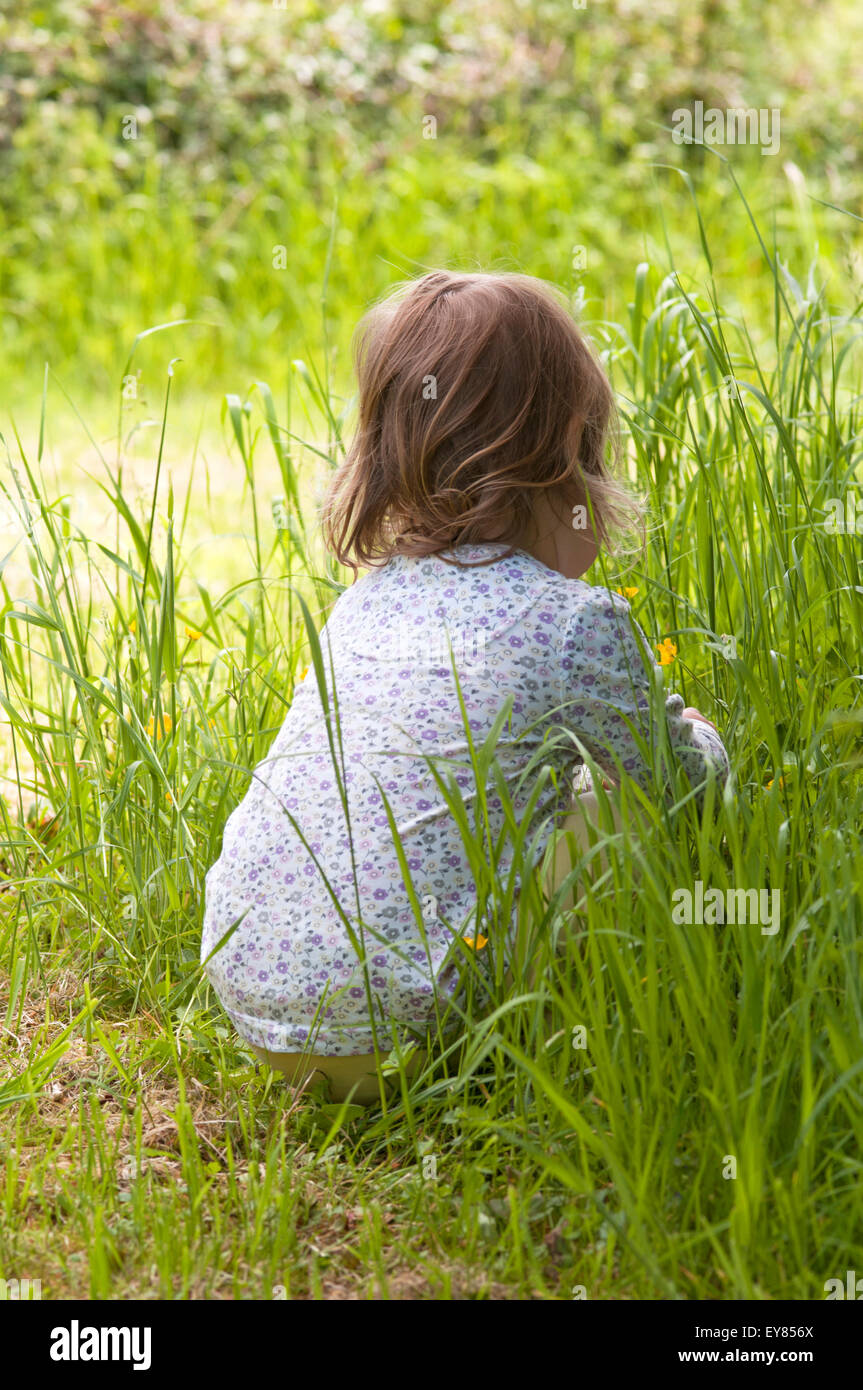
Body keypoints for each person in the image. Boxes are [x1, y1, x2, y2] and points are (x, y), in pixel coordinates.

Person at [200, 270, 729, 1103]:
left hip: (258, 1005)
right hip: (405, 1032)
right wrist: (700, 738)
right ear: (569, 454)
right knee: (614, 799)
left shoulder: (361, 604)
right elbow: (674, 785)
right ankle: (548, 1041)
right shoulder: (575, 621)